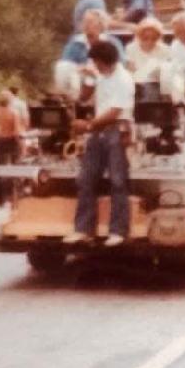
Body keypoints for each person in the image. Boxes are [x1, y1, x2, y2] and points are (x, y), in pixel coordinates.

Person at [64, 40, 135, 248]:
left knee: (118, 181)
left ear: (106, 61)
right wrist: (87, 78)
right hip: (98, 133)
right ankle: (82, 229)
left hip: (116, 131)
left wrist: (87, 126)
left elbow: (115, 112)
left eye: (97, 62)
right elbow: (83, 98)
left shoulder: (123, 79)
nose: (95, 65)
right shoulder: (101, 76)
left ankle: (118, 230)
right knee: (86, 179)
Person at [125, 16, 171, 84]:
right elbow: (131, 72)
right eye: (145, 38)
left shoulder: (165, 49)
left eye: (154, 38)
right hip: (138, 85)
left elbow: (166, 74)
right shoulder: (131, 48)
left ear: (159, 37)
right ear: (139, 36)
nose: (149, 41)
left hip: (159, 85)